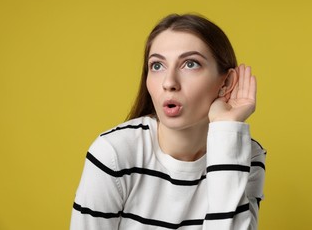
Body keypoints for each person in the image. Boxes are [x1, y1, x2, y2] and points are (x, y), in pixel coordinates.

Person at [70, 13, 266, 230]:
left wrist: (227, 131)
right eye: (157, 66)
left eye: (190, 64)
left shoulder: (245, 154)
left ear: (226, 81)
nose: (169, 82)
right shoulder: (113, 154)